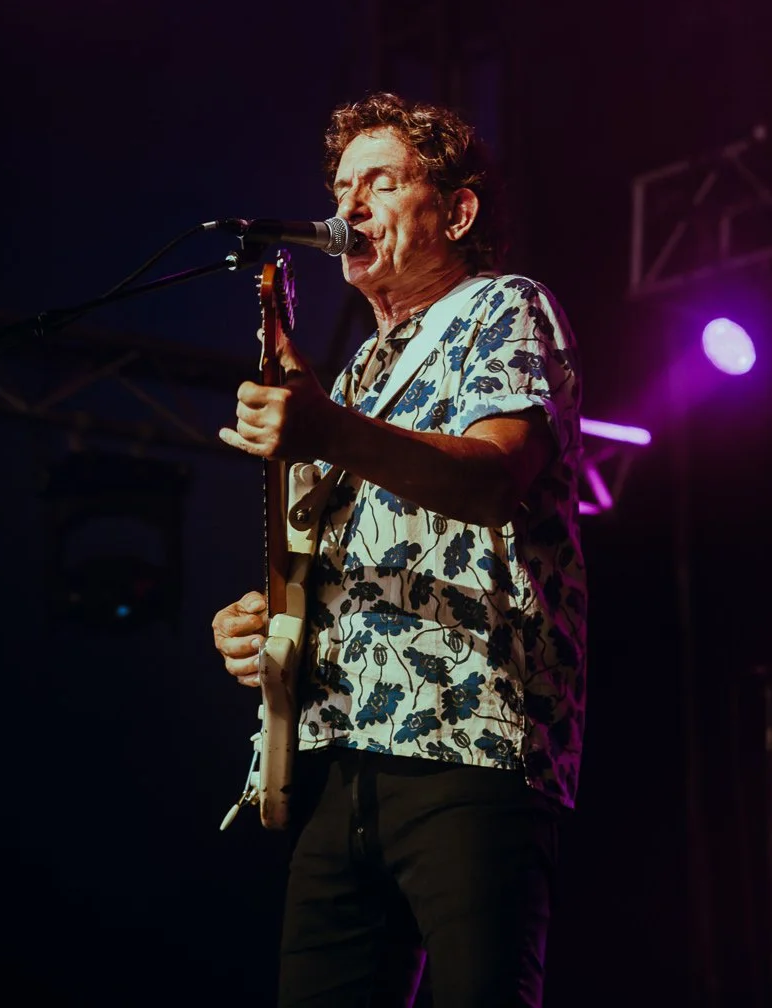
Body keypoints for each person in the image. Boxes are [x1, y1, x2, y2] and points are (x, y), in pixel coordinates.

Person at [212, 93, 587, 1008]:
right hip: (337, 751)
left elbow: (494, 479)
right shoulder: (357, 376)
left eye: (381, 183)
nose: (349, 207)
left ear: (455, 213)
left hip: (468, 736)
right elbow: (328, 559)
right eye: (342, 187)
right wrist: (262, 623)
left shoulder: (505, 307)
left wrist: (328, 429)